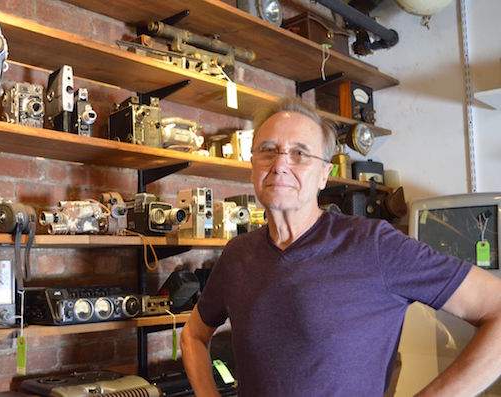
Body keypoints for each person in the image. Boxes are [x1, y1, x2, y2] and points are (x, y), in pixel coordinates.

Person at [180, 97, 501, 396]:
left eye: (300, 153)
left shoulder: (374, 245)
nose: (280, 165)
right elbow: (193, 335)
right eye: (268, 150)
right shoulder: (237, 255)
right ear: (252, 166)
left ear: (324, 174)